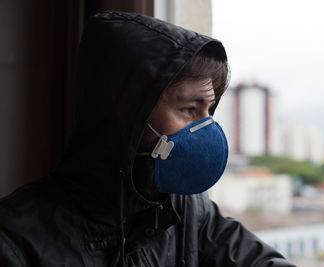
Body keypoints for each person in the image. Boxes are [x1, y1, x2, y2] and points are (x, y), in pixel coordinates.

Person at [0, 11, 296, 266]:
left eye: (208, 110)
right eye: (189, 109)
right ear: (127, 113)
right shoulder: (14, 239)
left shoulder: (187, 213)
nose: (205, 127)